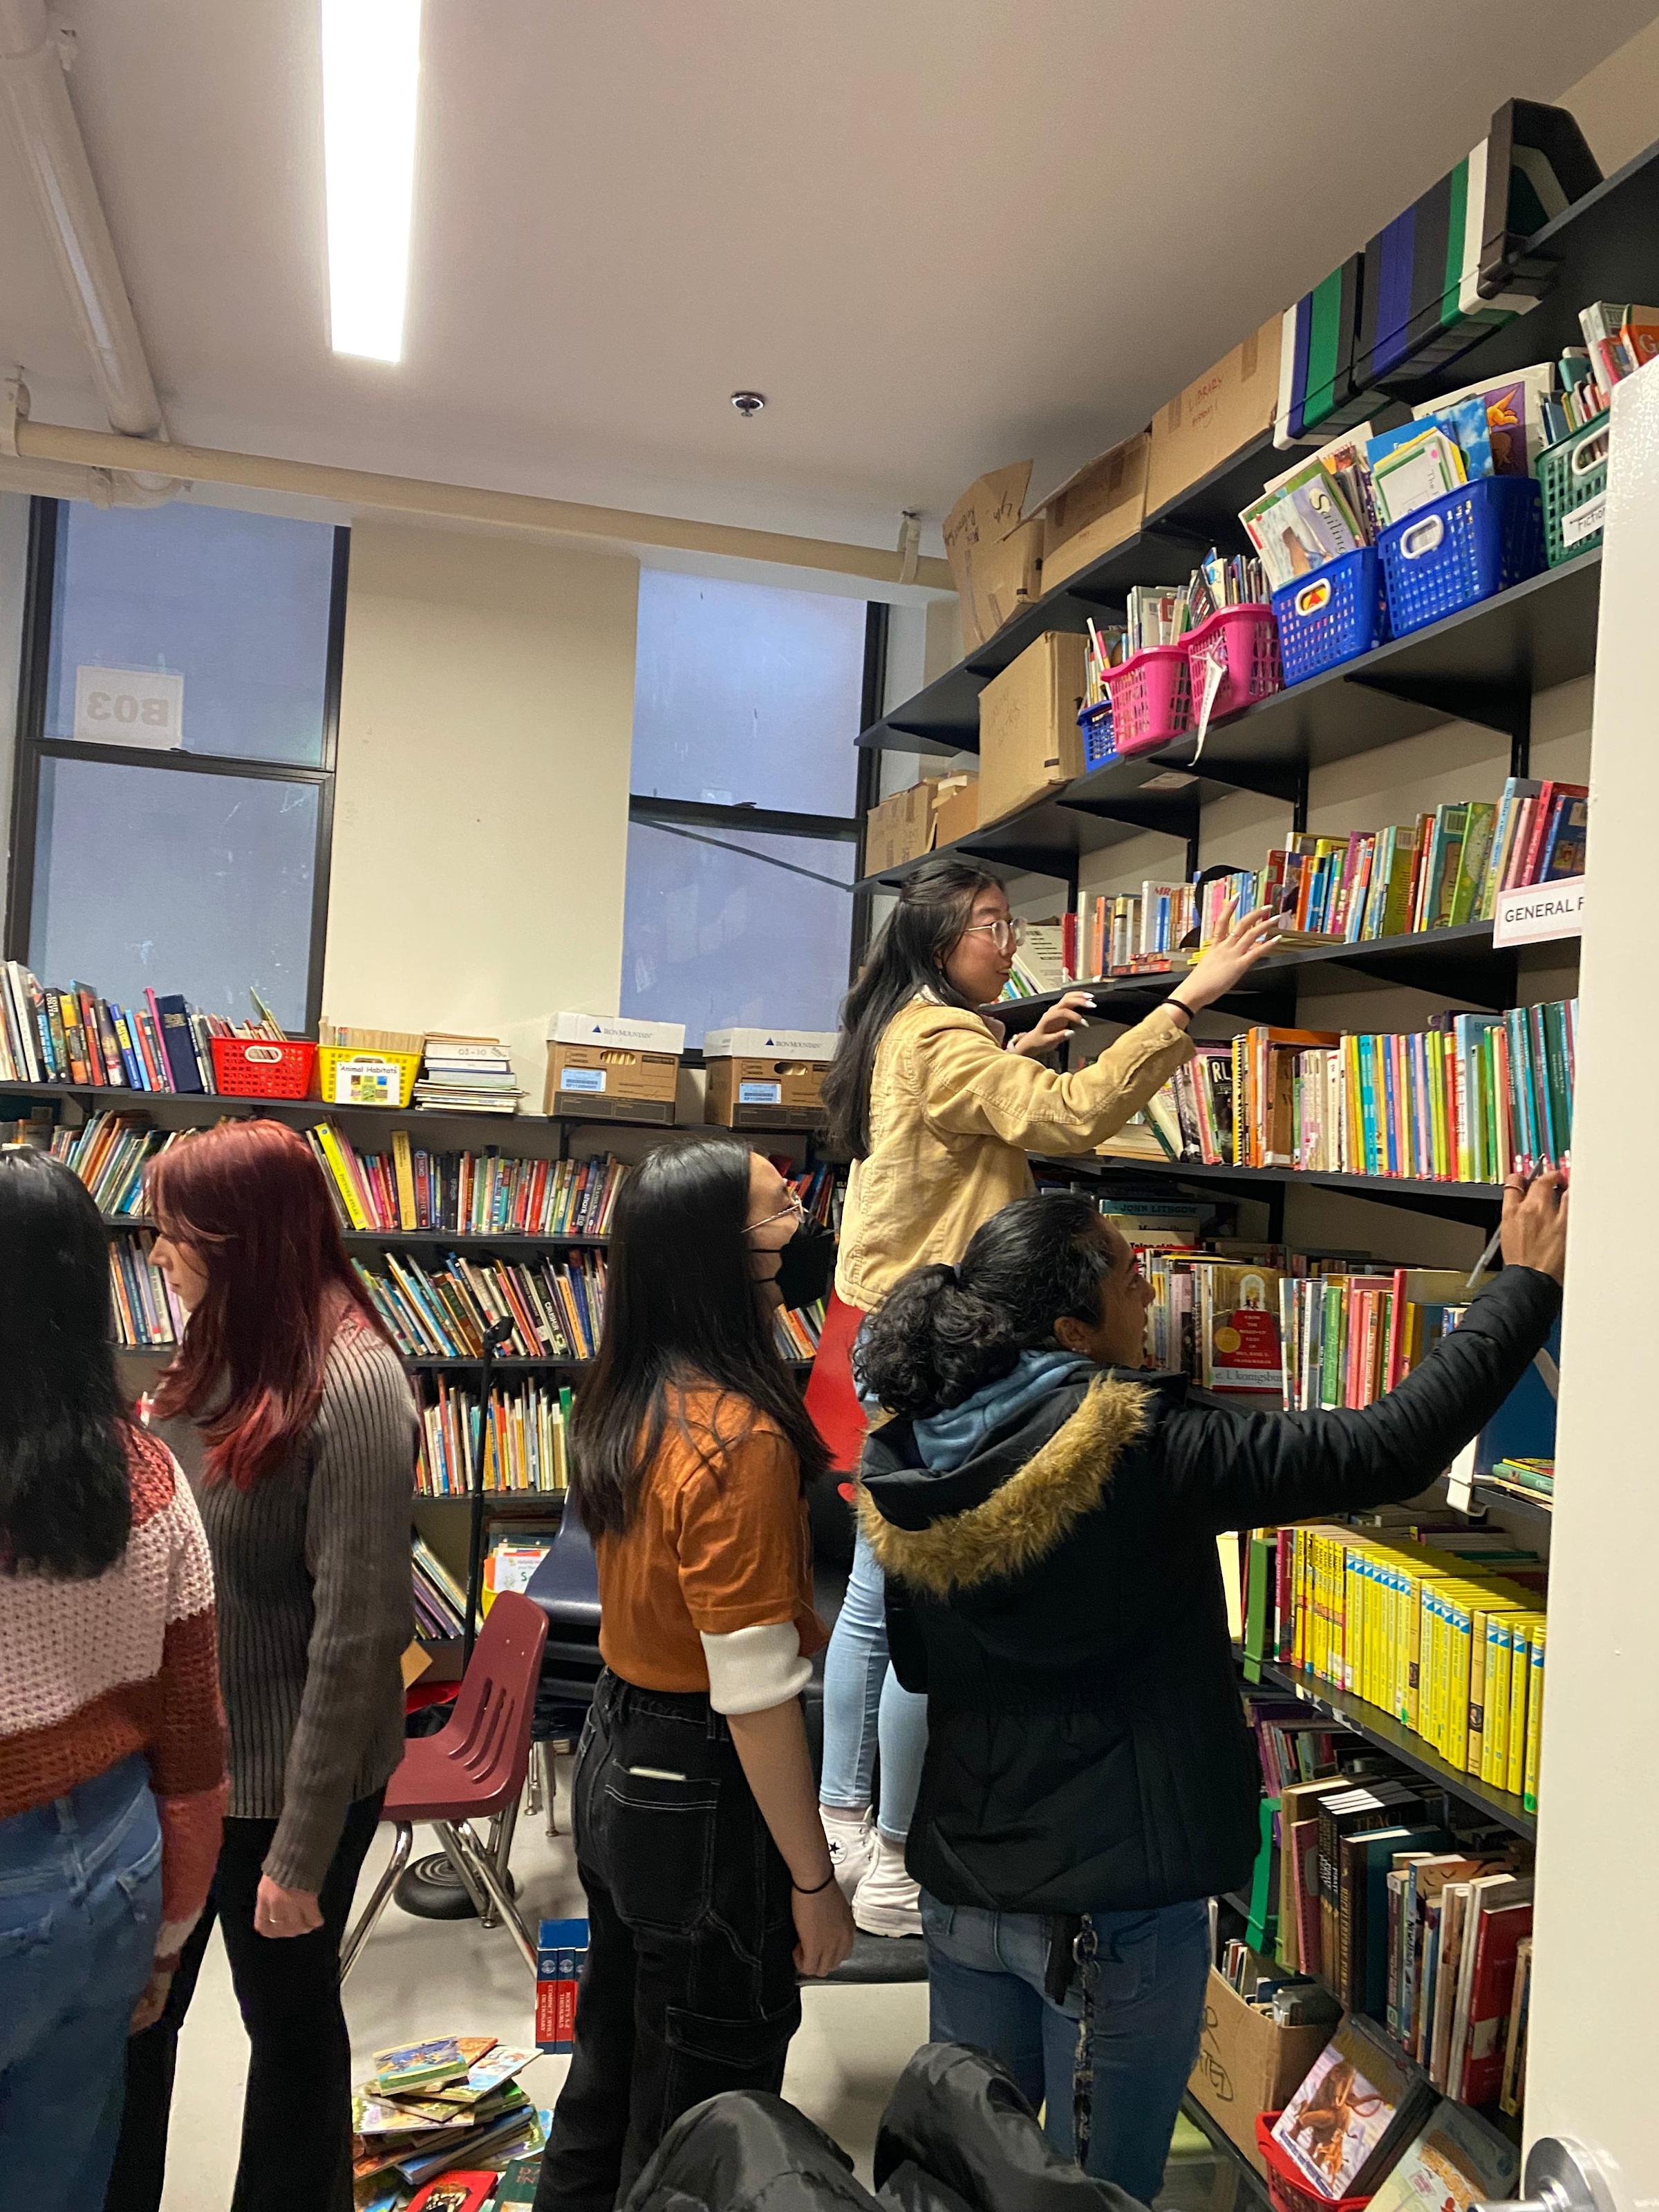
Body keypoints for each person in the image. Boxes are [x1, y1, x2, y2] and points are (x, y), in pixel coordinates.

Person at [854, 1177, 1567, 2200]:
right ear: (1070, 1323)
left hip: (965, 1893)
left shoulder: (914, 1450)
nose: (1150, 1294)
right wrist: (1528, 1284)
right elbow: (1387, 1449)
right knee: (1101, 2195)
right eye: (1126, 1271)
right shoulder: (1140, 1445)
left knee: (966, 2172)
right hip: (1116, 1918)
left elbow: (919, 1670)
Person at [811, 859, 1279, 1934]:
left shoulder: (921, 1028)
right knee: (897, 1603)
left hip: (889, 1326)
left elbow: (956, 1135)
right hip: (928, 1336)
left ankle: (848, 1823)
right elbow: (1071, 1120)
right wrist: (1188, 998)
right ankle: (879, 1850)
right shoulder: (938, 1035)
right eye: (986, 925)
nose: (1007, 941)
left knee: (881, 1598)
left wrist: (1014, 1050)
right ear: (937, 942)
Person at [536, 1138, 856, 2212]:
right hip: (701, 1785)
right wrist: (815, 1885)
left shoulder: (630, 1387)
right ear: (726, 1256)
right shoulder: (737, 1437)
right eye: (778, 1215)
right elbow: (756, 1700)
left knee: (613, 2066)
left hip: (618, 1747)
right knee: (700, 2117)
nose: (800, 1230)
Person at [107, 1119, 418, 2212]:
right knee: (134, 2026)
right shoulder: (220, 1343)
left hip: (287, 1786)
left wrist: (300, 1852)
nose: (156, 1254)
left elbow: (356, 1639)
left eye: (173, 1234)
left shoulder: (360, 1387)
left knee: (286, 2033)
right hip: (184, 1774)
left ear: (246, 1240)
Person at [0, 1150, 225, 2212]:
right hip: (118, 1871)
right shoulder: (150, 1473)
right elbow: (195, 1745)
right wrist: (172, 1936)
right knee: (63, 2172)